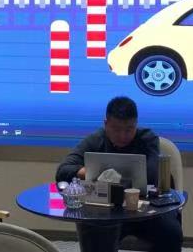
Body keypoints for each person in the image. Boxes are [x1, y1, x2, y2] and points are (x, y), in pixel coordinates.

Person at [56, 96, 182, 252]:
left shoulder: (147, 139)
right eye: (116, 129)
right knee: (93, 234)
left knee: (172, 233)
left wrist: (111, 176)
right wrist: (89, 172)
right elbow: (63, 171)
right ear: (106, 124)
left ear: (136, 124)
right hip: (106, 212)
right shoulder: (96, 140)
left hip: (144, 211)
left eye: (129, 129)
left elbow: (151, 176)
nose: (123, 136)